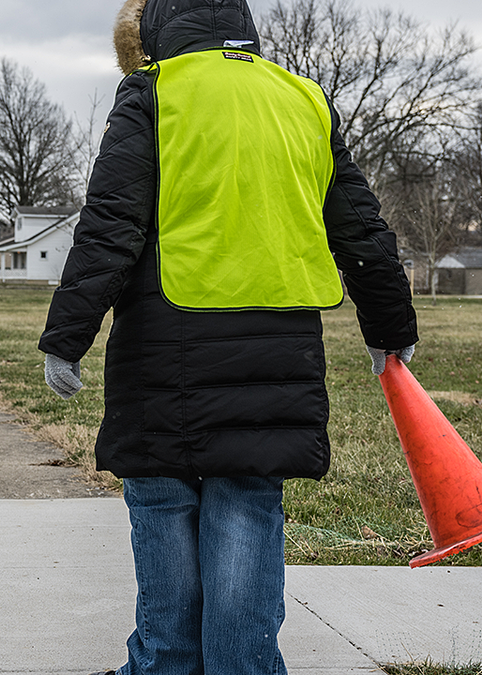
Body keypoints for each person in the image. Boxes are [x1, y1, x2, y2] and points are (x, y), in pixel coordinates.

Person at [39, 0, 418, 672]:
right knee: (246, 500)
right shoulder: (304, 99)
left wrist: (67, 335)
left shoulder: (154, 93)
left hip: (163, 346)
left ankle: (164, 664)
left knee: (162, 501)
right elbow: (360, 225)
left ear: (155, 28)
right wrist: (388, 324)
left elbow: (110, 226)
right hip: (278, 353)